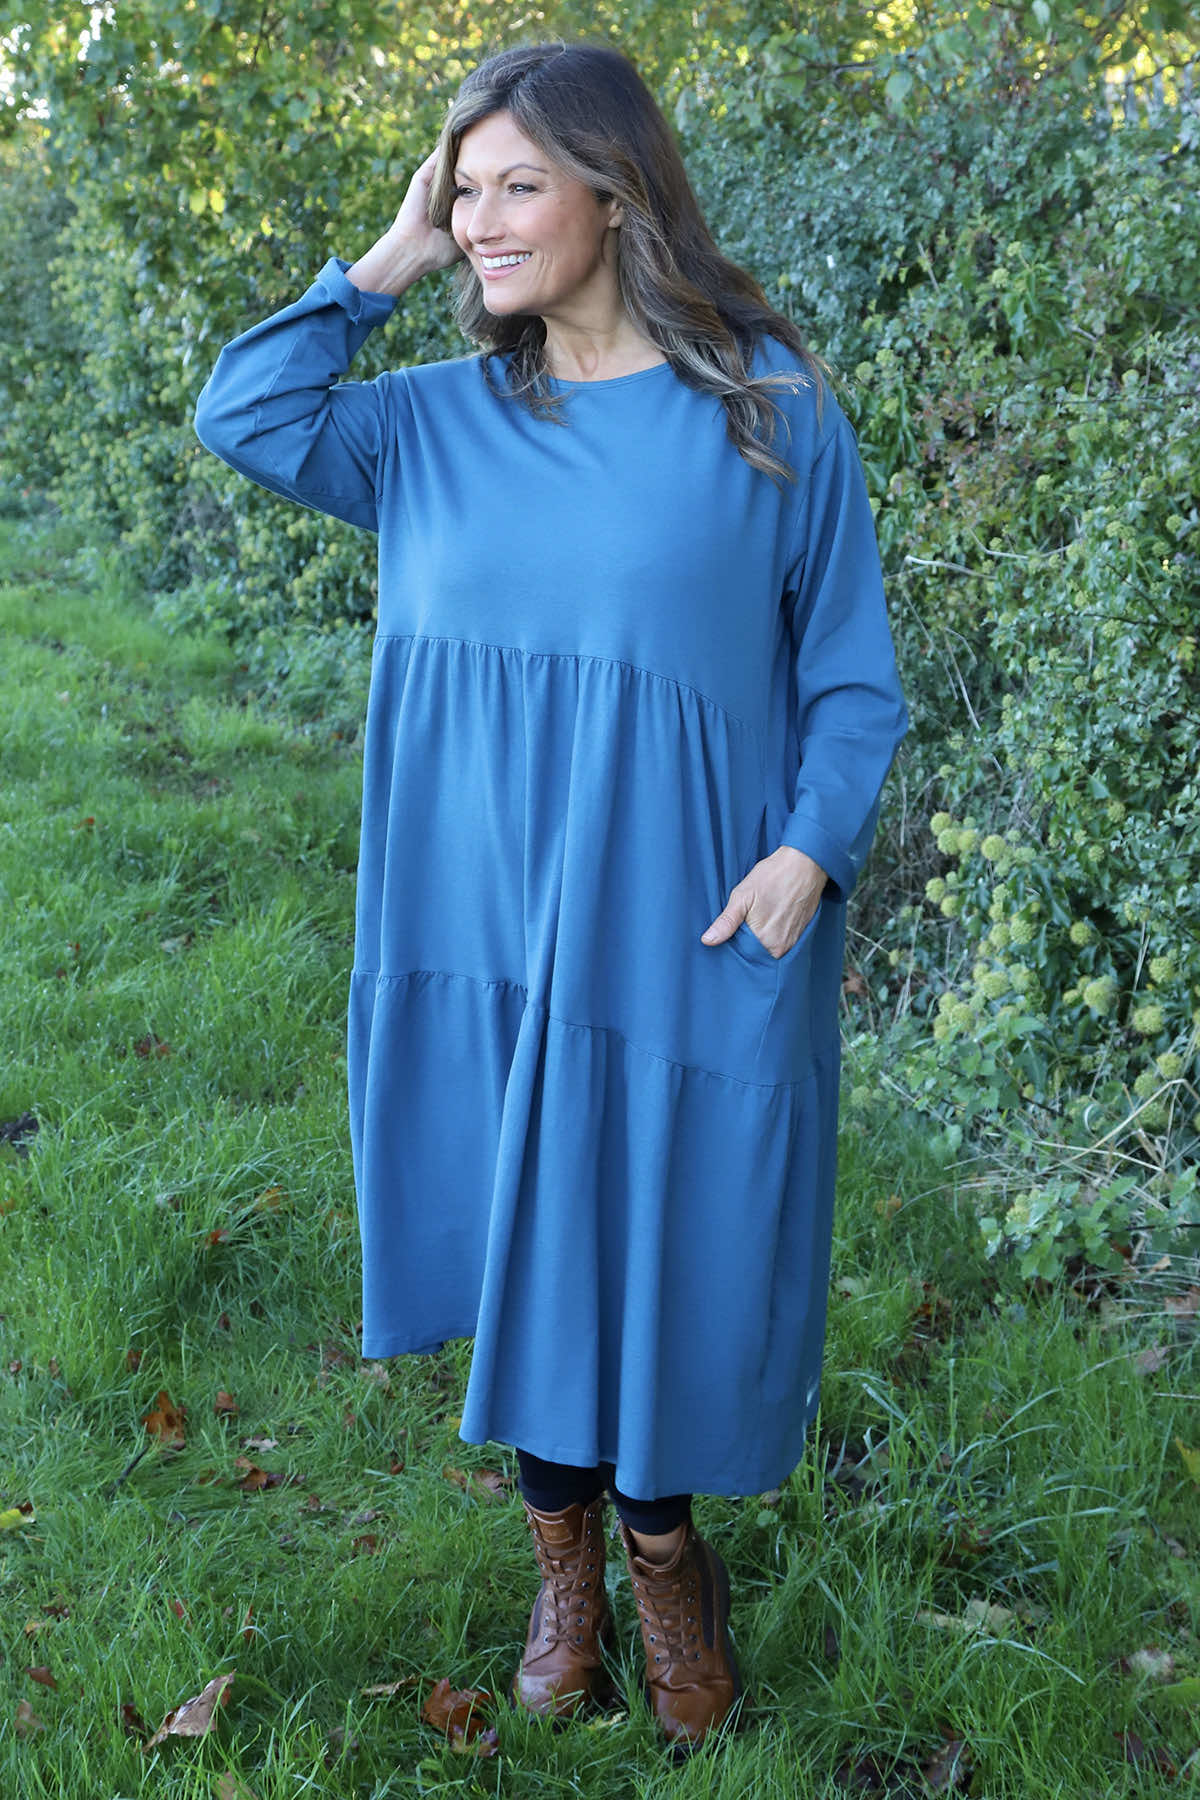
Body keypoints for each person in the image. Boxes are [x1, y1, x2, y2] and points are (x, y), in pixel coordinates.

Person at [193, 37, 907, 1750]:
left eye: (521, 184)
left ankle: (668, 1564)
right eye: (465, 188)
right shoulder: (428, 425)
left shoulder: (765, 409)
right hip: (483, 926)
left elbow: (850, 674)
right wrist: (386, 259)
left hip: (690, 916)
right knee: (528, 1228)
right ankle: (565, 1575)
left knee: (669, 1234)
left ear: (619, 194)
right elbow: (243, 412)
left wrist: (811, 848)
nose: (484, 218)